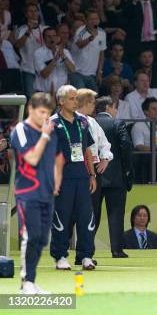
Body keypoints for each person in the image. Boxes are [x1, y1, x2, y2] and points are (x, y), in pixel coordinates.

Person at [10, 93, 63, 294]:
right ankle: (27, 282)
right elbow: (31, 158)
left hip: (46, 192)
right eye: (41, 112)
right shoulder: (21, 131)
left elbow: (58, 158)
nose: (44, 117)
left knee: (42, 239)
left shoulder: (51, 131)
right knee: (31, 236)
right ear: (30, 109)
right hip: (27, 193)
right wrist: (45, 135)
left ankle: (31, 280)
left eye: (48, 113)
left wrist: (56, 182)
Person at [50, 85, 97, 271]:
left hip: (82, 177)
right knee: (61, 218)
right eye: (71, 98)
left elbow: (87, 149)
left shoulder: (83, 122)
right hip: (62, 178)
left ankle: (86, 256)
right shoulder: (52, 123)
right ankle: (60, 256)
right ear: (61, 101)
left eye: (76, 98)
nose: (75, 101)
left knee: (86, 218)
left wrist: (92, 174)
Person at [93, 96, 133, 258]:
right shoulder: (117, 124)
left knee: (92, 215)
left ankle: (86, 249)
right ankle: (116, 250)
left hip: (94, 176)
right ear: (109, 108)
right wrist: (127, 170)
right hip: (116, 177)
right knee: (116, 214)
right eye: (115, 108)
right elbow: (126, 147)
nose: (116, 111)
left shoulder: (89, 123)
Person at [13, 3, 45, 97]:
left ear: (38, 13)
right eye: (30, 11)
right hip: (28, 69)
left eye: (35, 11)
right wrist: (29, 31)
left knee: (43, 98)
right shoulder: (21, 29)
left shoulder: (45, 29)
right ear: (26, 14)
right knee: (30, 98)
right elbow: (17, 45)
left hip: (43, 70)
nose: (33, 13)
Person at [70, 9, 106, 90]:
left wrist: (99, 72)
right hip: (78, 72)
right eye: (91, 19)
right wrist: (90, 38)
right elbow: (79, 45)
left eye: (96, 19)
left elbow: (101, 53)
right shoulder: (80, 31)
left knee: (94, 98)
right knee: (81, 96)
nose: (94, 21)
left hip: (92, 74)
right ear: (86, 20)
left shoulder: (102, 33)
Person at [33, 27, 76, 94]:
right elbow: (44, 74)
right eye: (49, 37)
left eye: (54, 36)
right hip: (44, 94)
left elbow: (73, 70)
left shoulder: (65, 52)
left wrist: (63, 56)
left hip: (61, 94)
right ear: (44, 39)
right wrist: (56, 58)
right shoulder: (38, 53)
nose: (52, 39)